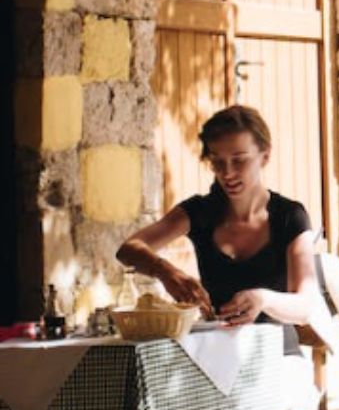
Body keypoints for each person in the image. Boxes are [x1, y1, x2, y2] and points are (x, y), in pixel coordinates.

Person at [116, 105, 324, 343]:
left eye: (239, 160)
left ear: (265, 156)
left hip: (278, 351)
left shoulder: (290, 216)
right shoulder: (199, 211)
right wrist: (166, 272)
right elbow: (128, 249)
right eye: (217, 161)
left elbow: (305, 305)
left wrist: (264, 299)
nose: (227, 173)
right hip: (216, 349)